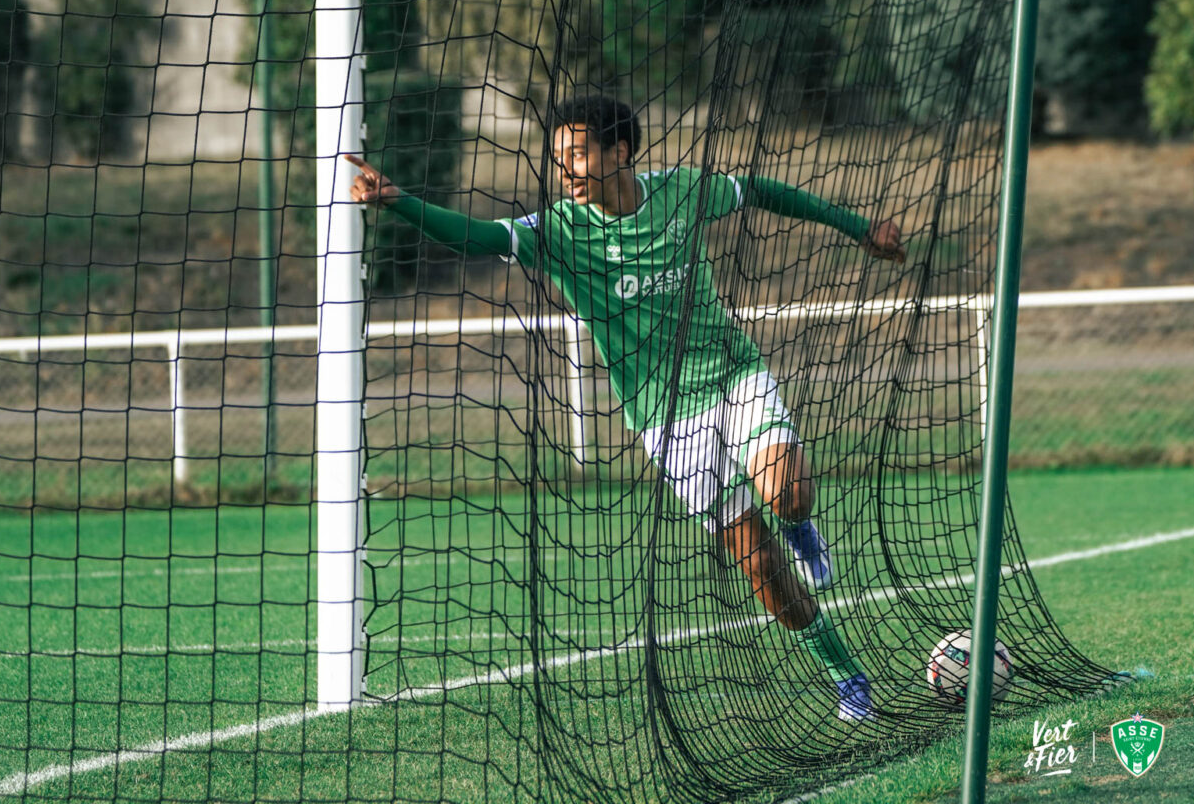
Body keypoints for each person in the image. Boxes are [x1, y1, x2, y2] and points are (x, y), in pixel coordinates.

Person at [345, 95, 905, 722]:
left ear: (621, 152)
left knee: (789, 493)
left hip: (730, 373)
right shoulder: (558, 231)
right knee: (761, 569)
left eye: (579, 155)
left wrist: (859, 229)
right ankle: (846, 672)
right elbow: (477, 236)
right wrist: (399, 203)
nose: (568, 171)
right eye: (560, 160)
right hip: (663, 416)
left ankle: (801, 525)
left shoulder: (681, 192)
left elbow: (759, 192)